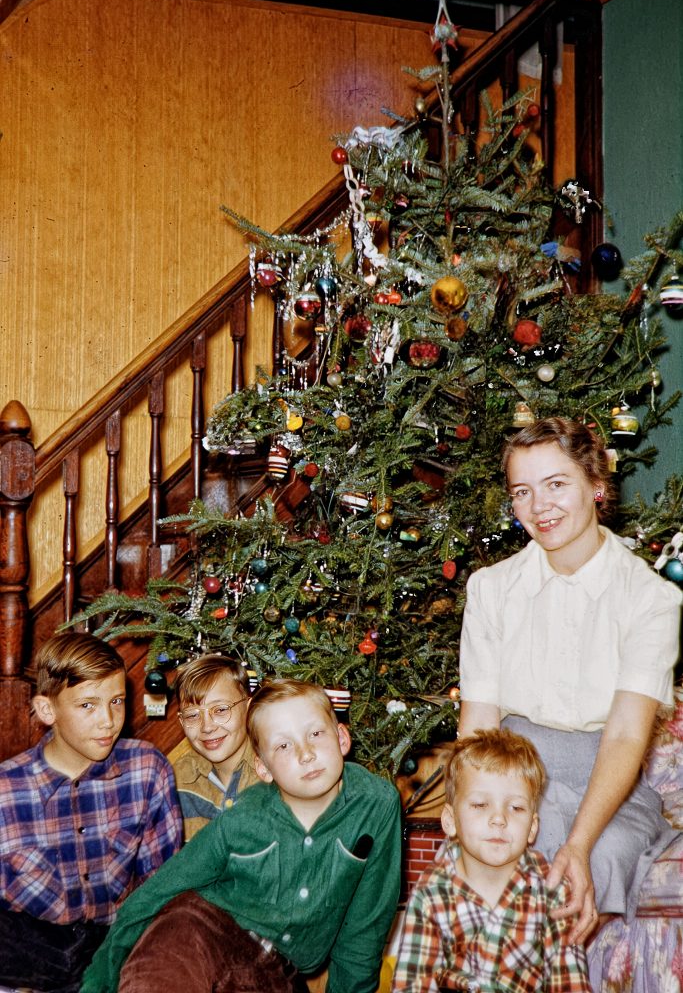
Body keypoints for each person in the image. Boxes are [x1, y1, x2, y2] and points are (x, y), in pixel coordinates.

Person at [458, 416, 683, 943]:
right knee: (504, 856)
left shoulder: (651, 598)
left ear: (596, 485)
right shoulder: (491, 590)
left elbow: (627, 734)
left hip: (610, 784)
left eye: (557, 484)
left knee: (588, 863)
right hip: (510, 777)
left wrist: (579, 845)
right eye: (522, 492)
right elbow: (477, 725)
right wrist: (475, 810)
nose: (540, 507)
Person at [80, 677, 402, 993]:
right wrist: (98, 983)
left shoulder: (378, 804)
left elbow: (366, 925)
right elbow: (155, 894)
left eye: (315, 733)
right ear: (263, 769)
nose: (306, 754)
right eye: (284, 745)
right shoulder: (242, 821)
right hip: (205, 929)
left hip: (278, 970)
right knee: (165, 959)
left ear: (342, 738)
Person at [0, 632, 183, 993]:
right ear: (46, 710)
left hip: (107, 953)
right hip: (24, 961)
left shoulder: (147, 770)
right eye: (88, 705)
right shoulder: (5, 791)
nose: (108, 721)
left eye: (117, 701)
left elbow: (163, 890)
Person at [392, 728, 591, 992]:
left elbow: (570, 981)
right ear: (450, 821)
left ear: (532, 828)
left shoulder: (552, 890)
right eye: (480, 805)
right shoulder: (432, 893)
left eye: (516, 808)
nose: (499, 819)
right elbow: (414, 982)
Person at [172, 653, 258, 840]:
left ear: (249, 708)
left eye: (220, 710)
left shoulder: (275, 773)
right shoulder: (176, 780)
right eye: (192, 715)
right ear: (181, 721)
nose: (207, 727)